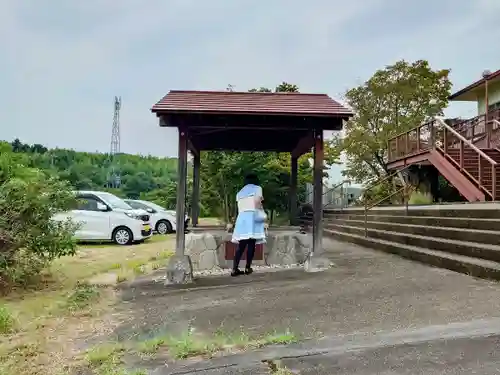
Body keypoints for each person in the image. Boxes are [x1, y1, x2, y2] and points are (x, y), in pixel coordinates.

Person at [231, 173, 266, 277]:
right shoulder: (258, 188)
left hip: (242, 218)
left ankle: (234, 269)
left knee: (241, 244)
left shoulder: (240, 192)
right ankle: (247, 267)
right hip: (252, 216)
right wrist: (262, 211)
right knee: (251, 243)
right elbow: (257, 202)